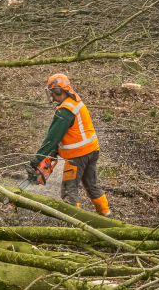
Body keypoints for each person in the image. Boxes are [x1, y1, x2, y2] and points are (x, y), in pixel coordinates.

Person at [28, 73, 111, 217]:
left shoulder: (65, 111)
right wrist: (52, 154)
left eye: (52, 91)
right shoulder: (74, 101)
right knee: (92, 185)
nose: (51, 95)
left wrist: (37, 159)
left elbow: (52, 137)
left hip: (77, 156)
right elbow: (65, 134)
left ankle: (74, 222)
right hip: (92, 151)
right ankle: (106, 215)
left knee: (69, 189)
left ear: (59, 90)